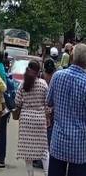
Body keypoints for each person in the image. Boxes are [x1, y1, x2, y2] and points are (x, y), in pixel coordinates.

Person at [47, 43, 86, 176]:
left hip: (58, 142)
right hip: (80, 146)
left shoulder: (58, 76)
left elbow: (49, 101)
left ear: (72, 56)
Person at [15, 60, 49, 176]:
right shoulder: (43, 84)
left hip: (26, 120)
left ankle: (30, 174)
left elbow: (17, 102)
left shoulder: (23, 84)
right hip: (40, 119)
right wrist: (48, 116)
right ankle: (47, 173)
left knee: (27, 151)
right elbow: (47, 103)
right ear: (39, 71)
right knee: (43, 149)